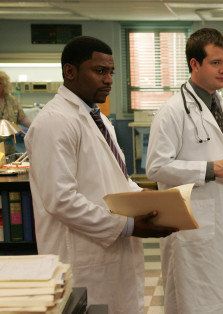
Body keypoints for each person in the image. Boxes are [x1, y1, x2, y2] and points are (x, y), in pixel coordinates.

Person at [25, 36, 175, 313]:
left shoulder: (99, 118)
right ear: (70, 72)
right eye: (99, 71)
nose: (108, 80)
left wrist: (147, 197)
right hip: (82, 256)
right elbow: (60, 199)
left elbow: (116, 175)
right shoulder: (54, 123)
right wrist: (128, 226)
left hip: (112, 253)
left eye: (111, 72)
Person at [146, 28, 223, 313]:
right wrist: (210, 169)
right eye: (216, 63)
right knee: (194, 302)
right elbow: (156, 167)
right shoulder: (172, 111)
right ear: (194, 64)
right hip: (192, 228)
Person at [0, 70, 31, 154]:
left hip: (9, 143)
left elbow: (22, 118)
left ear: (4, 85)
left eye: (0, 83)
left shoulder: (12, 100)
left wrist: (34, 126)